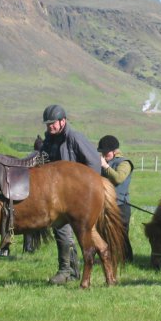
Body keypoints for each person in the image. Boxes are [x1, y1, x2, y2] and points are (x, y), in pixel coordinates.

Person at [41, 104, 101, 284]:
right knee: (62, 232)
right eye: (47, 124)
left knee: (74, 233)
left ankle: (67, 272)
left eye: (53, 123)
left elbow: (94, 163)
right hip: (57, 196)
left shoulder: (74, 138)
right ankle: (70, 272)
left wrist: (86, 191)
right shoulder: (49, 140)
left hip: (77, 196)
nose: (50, 126)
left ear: (63, 121)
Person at [98, 135, 134, 262]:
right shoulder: (104, 163)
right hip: (106, 205)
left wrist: (105, 167)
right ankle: (109, 257)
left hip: (121, 205)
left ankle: (127, 258)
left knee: (121, 235)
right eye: (101, 152)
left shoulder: (125, 163)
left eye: (105, 152)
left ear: (114, 151)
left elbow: (119, 178)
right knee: (105, 233)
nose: (103, 155)